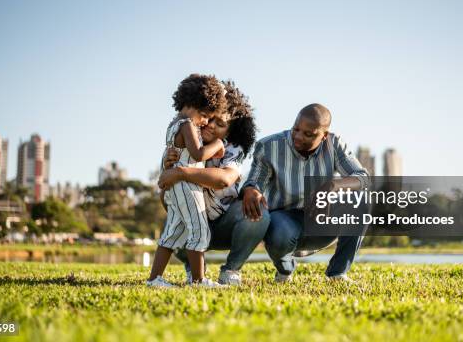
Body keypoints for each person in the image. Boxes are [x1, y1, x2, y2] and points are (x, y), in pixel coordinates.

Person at [242, 103, 370, 283]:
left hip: (321, 221)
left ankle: (337, 274)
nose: (299, 137)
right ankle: (285, 271)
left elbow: (363, 178)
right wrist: (250, 190)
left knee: (360, 201)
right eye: (296, 129)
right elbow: (254, 182)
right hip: (284, 221)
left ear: (324, 136)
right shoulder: (268, 146)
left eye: (308, 134)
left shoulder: (335, 144)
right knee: (281, 233)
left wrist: (332, 185)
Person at [158, 81, 267, 285]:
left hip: (223, 221)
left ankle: (231, 270)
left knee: (259, 216)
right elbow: (164, 195)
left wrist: (181, 173)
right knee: (173, 222)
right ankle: (193, 271)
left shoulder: (233, 149)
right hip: (192, 217)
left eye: (221, 124)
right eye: (210, 117)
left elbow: (224, 179)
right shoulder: (184, 138)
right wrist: (168, 170)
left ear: (230, 131)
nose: (211, 125)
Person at [146, 74, 227, 288]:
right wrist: (218, 144)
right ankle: (198, 280)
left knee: (173, 231)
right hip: (186, 186)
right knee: (200, 229)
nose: (205, 122)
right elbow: (199, 154)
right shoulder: (187, 125)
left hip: (176, 186)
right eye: (204, 115)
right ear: (191, 104)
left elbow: (175, 154)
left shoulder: (173, 124)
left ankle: (154, 279)